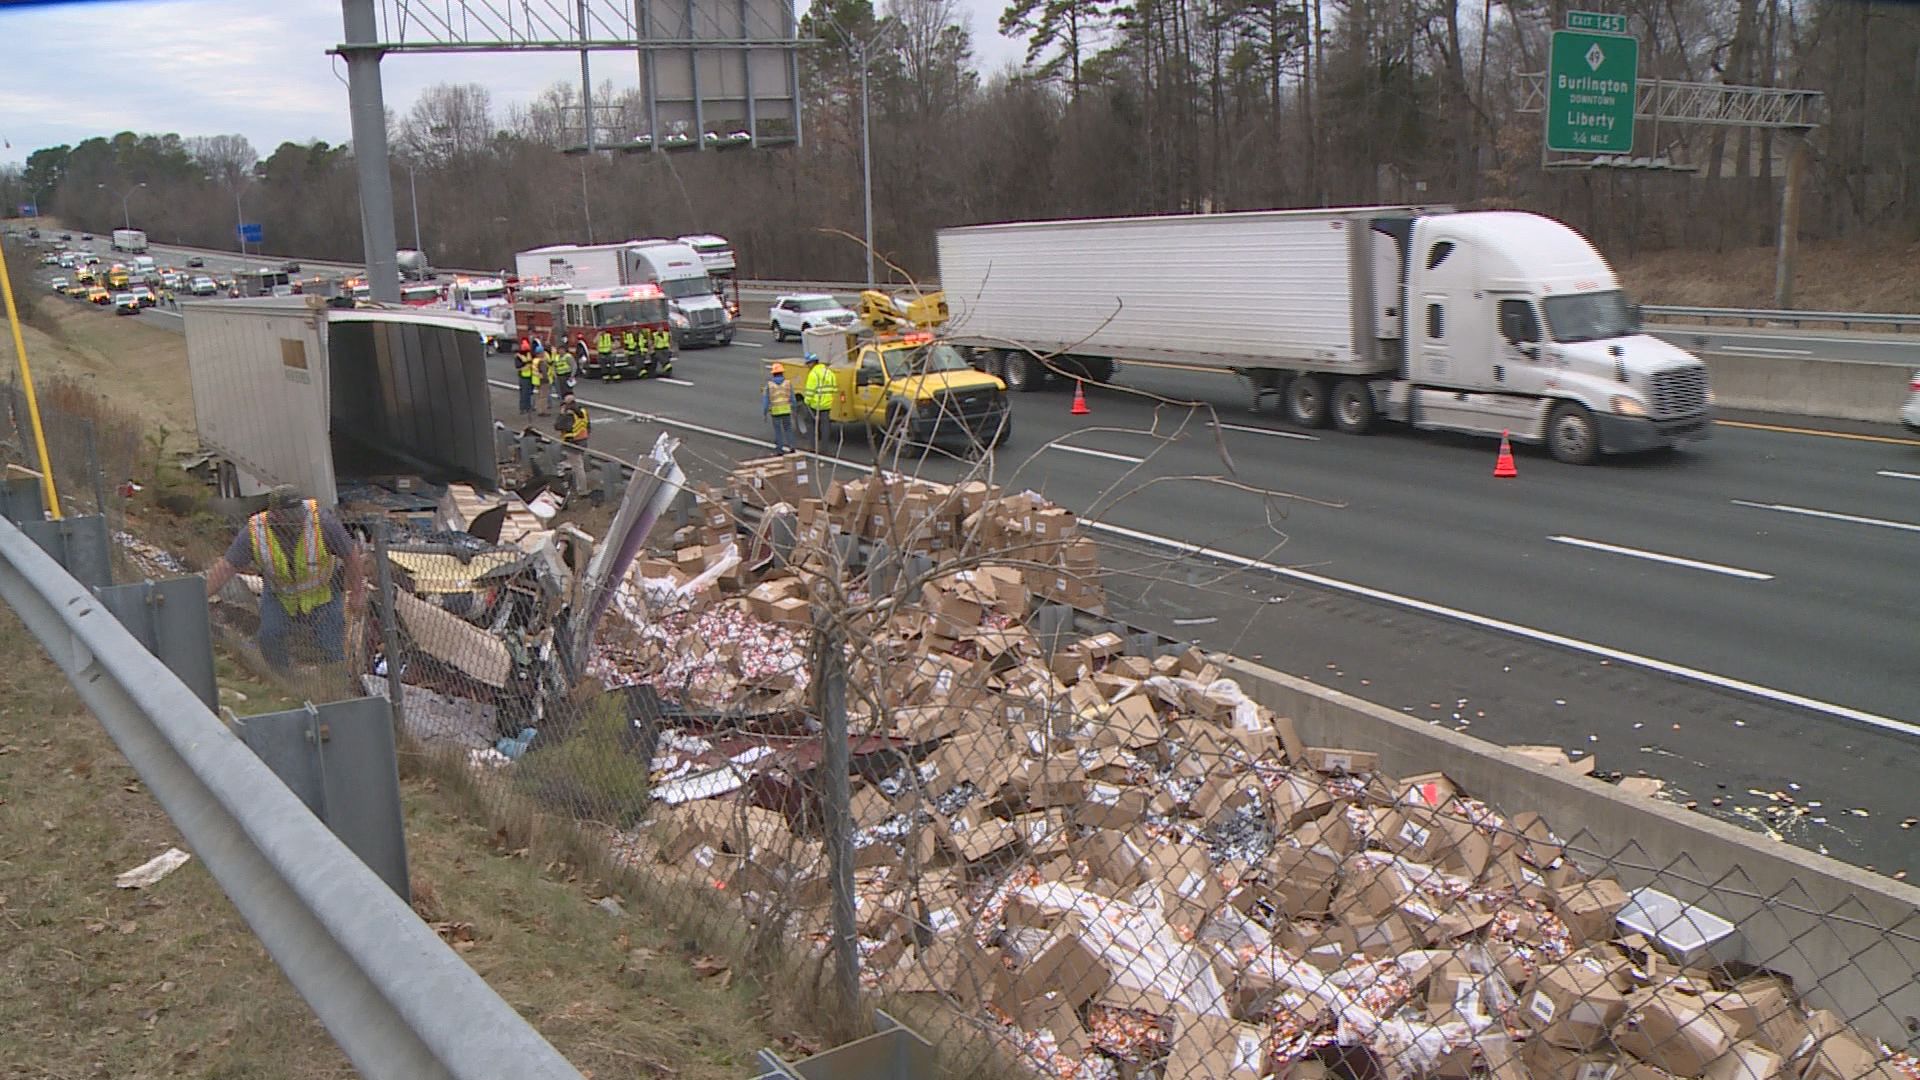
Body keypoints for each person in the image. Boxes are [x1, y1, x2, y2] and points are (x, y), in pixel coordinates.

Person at [203, 487, 366, 672]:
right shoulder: (255, 531)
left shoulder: (322, 522)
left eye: (298, 513)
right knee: (269, 636)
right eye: (290, 515)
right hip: (279, 595)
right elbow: (227, 567)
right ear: (274, 515)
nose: (297, 519)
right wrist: (201, 597)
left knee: (331, 643)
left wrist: (357, 593)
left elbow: (351, 555)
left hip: (323, 595)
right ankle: (284, 677)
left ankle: (335, 683)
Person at [801, 352, 836, 442]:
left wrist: (806, 402)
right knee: (825, 426)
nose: (808, 366)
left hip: (815, 405)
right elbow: (834, 389)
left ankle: (813, 445)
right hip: (827, 404)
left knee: (810, 424)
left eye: (808, 363)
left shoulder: (813, 374)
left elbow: (810, 392)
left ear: (812, 363)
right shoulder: (829, 372)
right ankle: (825, 447)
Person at [763, 362, 795, 455]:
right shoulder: (788, 383)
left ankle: (779, 449)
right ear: (782, 373)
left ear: (773, 373)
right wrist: (794, 408)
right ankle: (792, 446)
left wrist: (765, 413)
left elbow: (766, 401)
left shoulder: (769, 385)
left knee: (778, 431)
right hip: (786, 410)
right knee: (788, 429)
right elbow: (792, 398)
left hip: (776, 412)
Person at [515, 339, 537, 416]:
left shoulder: (529, 354)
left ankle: (528, 407)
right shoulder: (519, 357)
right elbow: (518, 367)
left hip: (531, 376)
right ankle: (523, 408)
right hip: (524, 377)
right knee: (524, 393)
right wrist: (527, 365)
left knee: (529, 393)